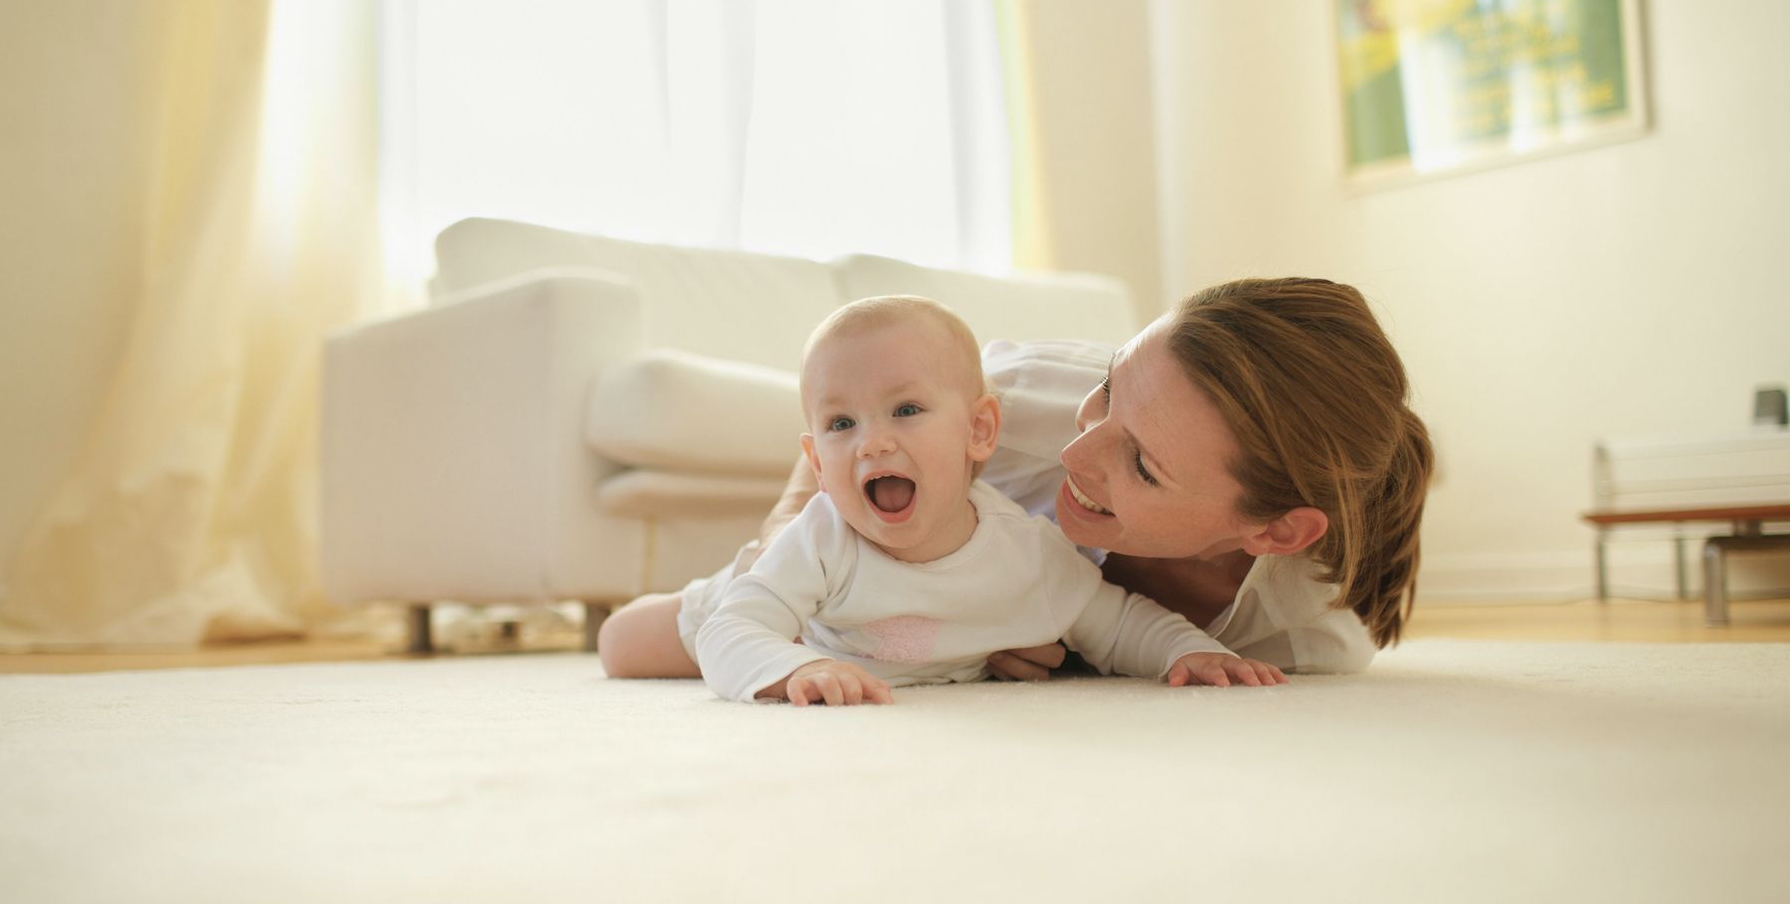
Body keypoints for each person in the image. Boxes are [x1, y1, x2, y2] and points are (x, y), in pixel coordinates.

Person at [599, 276, 1434, 690]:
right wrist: (791, 517)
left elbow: (1118, 626)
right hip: (823, 602)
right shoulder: (1020, 396)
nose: (1078, 453)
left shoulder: (1299, 642)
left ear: (1276, 532)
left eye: (1139, 463)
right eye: (1108, 389)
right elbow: (854, 412)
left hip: (918, 654)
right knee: (641, 640)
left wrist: (1063, 658)